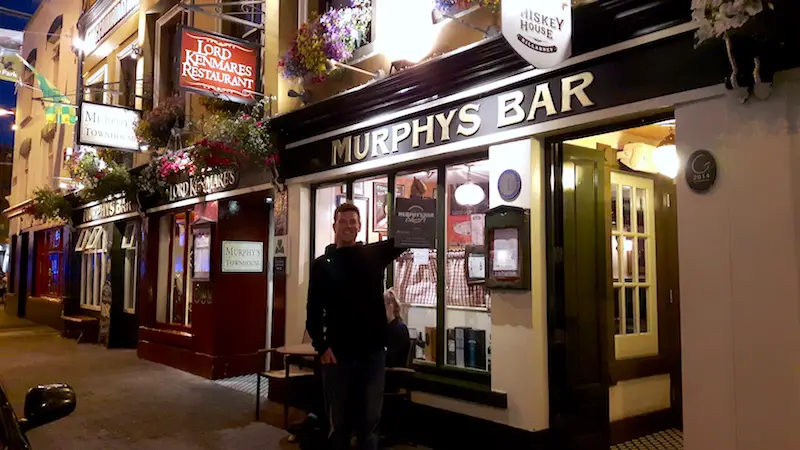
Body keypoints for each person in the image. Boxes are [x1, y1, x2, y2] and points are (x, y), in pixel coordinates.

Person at [306, 202, 406, 450]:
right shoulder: (322, 264)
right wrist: (322, 347)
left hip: (372, 354)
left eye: (353, 222)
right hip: (337, 356)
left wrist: (417, 207)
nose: (349, 226)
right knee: (338, 424)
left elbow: (406, 238)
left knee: (369, 423)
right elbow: (313, 311)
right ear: (334, 226)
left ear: (360, 226)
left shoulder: (373, 254)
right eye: (343, 221)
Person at [383, 288, 410, 368]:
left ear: (390, 307)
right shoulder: (385, 328)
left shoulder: (399, 329)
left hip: (392, 375)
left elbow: (391, 359)